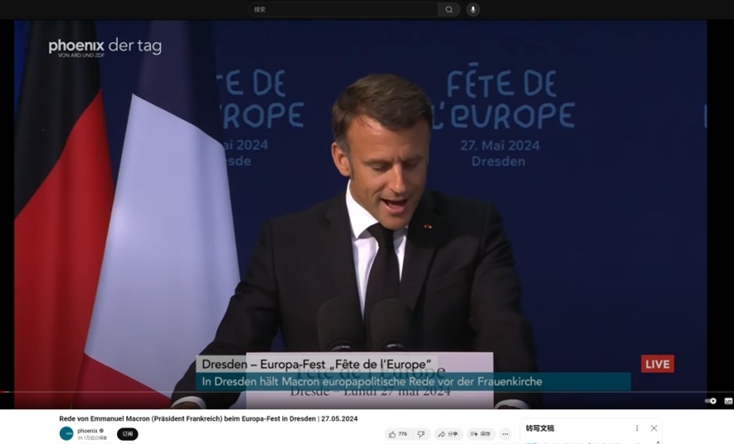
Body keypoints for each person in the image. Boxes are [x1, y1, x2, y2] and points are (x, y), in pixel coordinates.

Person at [171, 73, 541, 409]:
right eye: (380, 166)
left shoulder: (473, 229)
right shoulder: (287, 241)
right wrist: (191, 404)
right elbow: (234, 348)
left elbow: (504, 337)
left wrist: (513, 410)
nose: (399, 185)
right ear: (342, 159)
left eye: (412, 163)